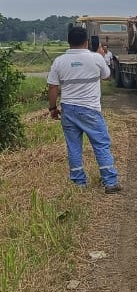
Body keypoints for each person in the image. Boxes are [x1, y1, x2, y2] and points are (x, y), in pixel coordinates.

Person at [47, 25, 121, 193]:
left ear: (68, 41)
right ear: (87, 41)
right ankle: (110, 182)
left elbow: (52, 87)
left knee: (73, 146)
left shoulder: (59, 61)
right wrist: (101, 56)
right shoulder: (96, 58)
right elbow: (107, 76)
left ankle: (79, 183)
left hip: (68, 110)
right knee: (101, 144)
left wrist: (52, 108)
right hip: (90, 109)